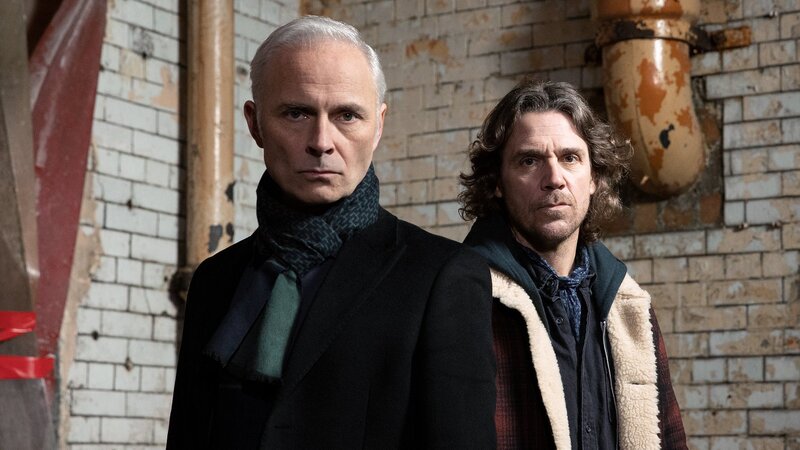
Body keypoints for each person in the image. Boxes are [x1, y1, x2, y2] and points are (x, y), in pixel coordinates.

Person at [167, 16, 495, 449]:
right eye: (296, 113)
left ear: (378, 126)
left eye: (347, 115)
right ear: (255, 123)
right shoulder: (214, 279)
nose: (321, 141)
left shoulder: (443, 277)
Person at [460, 80, 687, 449]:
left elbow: (671, 440)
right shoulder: (461, 298)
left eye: (570, 158)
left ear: (594, 177)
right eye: (529, 160)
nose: (554, 179)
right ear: (497, 182)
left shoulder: (628, 305)